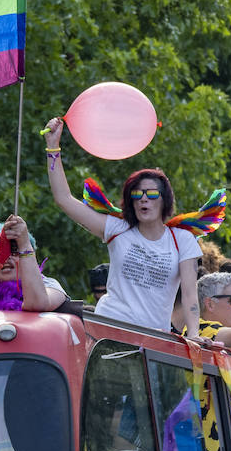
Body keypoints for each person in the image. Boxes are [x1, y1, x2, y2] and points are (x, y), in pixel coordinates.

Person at [44, 117, 200, 334]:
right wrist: (53, 147)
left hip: (154, 338)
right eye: (137, 194)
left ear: (165, 199)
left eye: (152, 194)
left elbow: (190, 294)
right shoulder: (118, 229)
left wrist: (194, 335)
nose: (144, 199)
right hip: (110, 328)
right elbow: (64, 199)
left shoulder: (182, 239)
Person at [0, 215, 68, 311]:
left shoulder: (49, 284)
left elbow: (36, 304)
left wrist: (24, 245)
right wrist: (0, 256)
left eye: (14, 252)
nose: (7, 258)